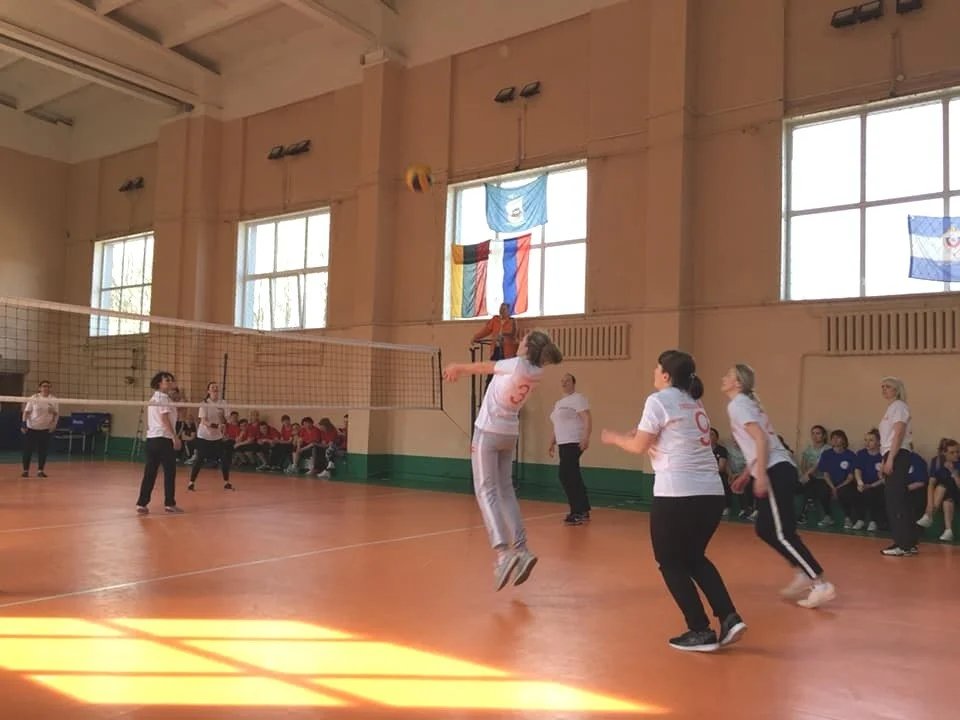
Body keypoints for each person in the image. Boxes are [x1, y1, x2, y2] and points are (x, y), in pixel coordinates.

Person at [601, 350, 746, 653]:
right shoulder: (694, 402)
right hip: (711, 494)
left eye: (657, 368)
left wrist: (615, 438)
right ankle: (729, 617)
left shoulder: (659, 400)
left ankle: (700, 630)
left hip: (678, 493)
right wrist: (642, 437)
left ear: (666, 375)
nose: (654, 372)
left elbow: (639, 446)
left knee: (669, 562)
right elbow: (668, 440)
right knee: (694, 558)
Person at [443, 330, 563, 590]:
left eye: (523, 340)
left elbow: (482, 367)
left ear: (528, 348)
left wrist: (457, 367)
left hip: (488, 431)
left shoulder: (516, 365)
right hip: (509, 433)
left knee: (486, 491)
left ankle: (502, 553)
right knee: (506, 491)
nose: (519, 342)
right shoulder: (537, 372)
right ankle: (522, 549)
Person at [722, 364, 836, 609]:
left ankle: (820, 583)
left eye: (729, 375)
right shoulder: (747, 404)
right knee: (765, 529)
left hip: (775, 470)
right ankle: (803, 572)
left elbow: (761, 439)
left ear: (738, 383)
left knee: (781, 532)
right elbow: (758, 443)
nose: (724, 378)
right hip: (776, 468)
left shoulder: (738, 405)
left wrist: (761, 475)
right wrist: (748, 473)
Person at [877, 376, 917, 556]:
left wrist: (891, 458)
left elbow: (899, 433)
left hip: (898, 453)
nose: (884, 389)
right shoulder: (891, 408)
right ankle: (909, 542)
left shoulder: (899, 406)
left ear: (896, 389)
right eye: (882, 387)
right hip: (892, 453)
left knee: (895, 499)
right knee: (900, 498)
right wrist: (884, 459)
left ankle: (902, 544)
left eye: (887, 386)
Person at [136, 371, 184, 515]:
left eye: (171, 380)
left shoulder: (155, 398)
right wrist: (174, 437)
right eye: (166, 380)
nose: (170, 382)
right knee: (169, 472)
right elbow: (164, 419)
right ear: (159, 383)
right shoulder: (163, 398)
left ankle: (141, 503)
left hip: (152, 439)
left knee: (150, 473)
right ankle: (170, 504)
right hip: (163, 439)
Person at [548, 373, 592, 525]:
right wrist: (552, 441)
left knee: (566, 474)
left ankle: (577, 511)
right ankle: (583, 509)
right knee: (572, 474)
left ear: (573, 383)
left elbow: (587, 418)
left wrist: (586, 437)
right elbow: (557, 424)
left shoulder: (578, 399)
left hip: (574, 441)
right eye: (562, 380)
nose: (564, 383)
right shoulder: (559, 403)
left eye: (567, 380)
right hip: (563, 442)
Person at [187, 381, 234, 492]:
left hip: (217, 437)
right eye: (212, 387)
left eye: (216, 387)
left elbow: (227, 420)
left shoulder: (223, 403)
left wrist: (222, 418)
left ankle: (227, 482)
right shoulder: (204, 403)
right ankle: (191, 483)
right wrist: (216, 426)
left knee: (224, 458)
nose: (215, 389)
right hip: (204, 436)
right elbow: (203, 421)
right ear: (208, 391)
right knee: (199, 459)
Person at [21, 380, 58, 478]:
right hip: (32, 428)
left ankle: (40, 471)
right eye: (44, 386)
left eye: (48, 386)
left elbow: (56, 414)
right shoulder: (34, 398)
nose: (46, 388)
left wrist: (54, 425)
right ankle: (25, 471)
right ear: (40, 388)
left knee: (43, 451)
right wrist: (23, 424)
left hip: (45, 429)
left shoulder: (53, 399)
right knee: (28, 450)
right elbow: (26, 412)